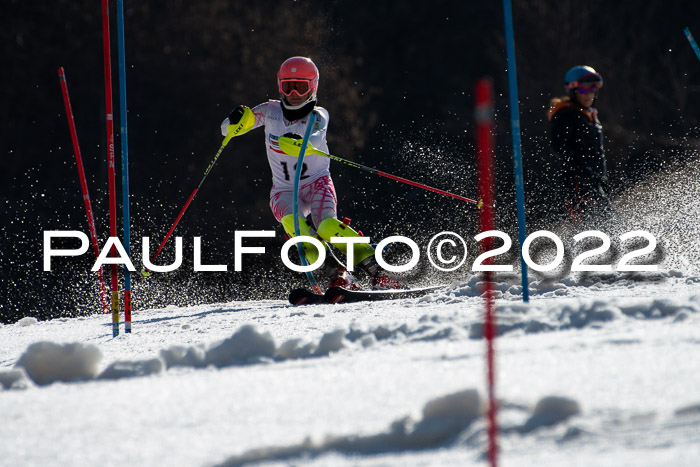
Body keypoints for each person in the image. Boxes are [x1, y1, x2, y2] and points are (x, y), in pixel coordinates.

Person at [220, 56, 401, 290]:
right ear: (280, 86)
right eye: (288, 86)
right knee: (295, 225)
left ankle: (377, 272)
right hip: (284, 190)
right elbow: (227, 130)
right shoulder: (270, 111)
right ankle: (338, 273)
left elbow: (315, 136)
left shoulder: (318, 115)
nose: (294, 93)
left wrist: (300, 143)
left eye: (300, 87)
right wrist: (236, 120)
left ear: (312, 87)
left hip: (317, 183)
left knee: (326, 226)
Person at [548, 65, 611, 226]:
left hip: (594, 185)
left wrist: (600, 178)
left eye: (593, 90)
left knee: (612, 227)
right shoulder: (566, 116)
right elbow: (558, 146)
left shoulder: (589, 115)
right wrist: (581, 170)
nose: (589, 94)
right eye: (584, 91)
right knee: (588, 233)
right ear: (573, 91)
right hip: (577, 186)